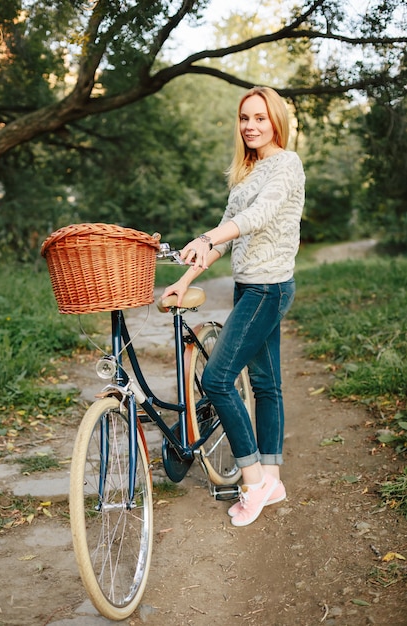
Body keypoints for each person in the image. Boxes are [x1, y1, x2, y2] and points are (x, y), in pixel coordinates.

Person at [161, 86, 305, 527]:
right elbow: (227, 233)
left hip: (270, 288)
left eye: (260, 118)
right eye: (245, 118)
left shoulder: (286, 165)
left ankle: (252, 475)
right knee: (266, 384)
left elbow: (257, 218)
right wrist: (182, 280)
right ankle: (273, 480)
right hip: (249, 288)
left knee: (218, 378)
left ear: (275, 120)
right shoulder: (246, 173)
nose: (251, 126)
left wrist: (207, 237)